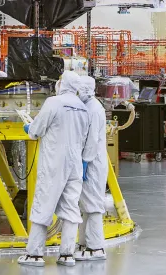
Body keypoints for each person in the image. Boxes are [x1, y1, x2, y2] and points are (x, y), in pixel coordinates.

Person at [18, 71, 91, 267]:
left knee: (44, 203)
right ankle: (67, 254)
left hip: (54, 163)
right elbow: (83, 136)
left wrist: (29, 127)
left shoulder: (53, 102)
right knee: (70, 207)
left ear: (63, 83)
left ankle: (34, 254)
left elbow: (36, 131)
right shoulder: (82, 108)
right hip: (74, 163)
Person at [74, 76, 109, 262]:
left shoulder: (94, 108)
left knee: (93, 205)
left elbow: (92, 140)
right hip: (89, 161)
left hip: (93, 163)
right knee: (85, 205)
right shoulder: (87, 106)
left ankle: (96, 247)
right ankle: (84, 243)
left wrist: (85, 161)